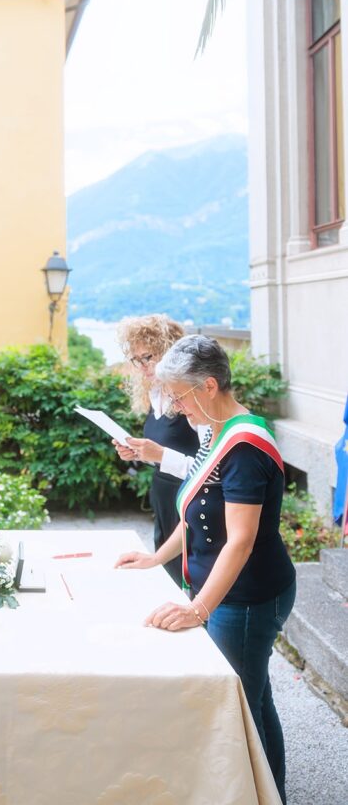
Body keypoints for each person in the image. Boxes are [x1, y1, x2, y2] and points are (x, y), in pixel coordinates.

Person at [115, 335, 296, 804]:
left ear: (209, 385)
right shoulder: (217, 431)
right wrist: (157, 557)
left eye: (180, 397)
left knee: (236, 708)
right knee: (254, 698)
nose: (175, 409)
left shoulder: (244, 445)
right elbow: (196, 508)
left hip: (249, 594)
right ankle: (272, 793)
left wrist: (197, 609)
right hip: (232, 591)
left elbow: (240, 540)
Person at [114, 315, 207, 585]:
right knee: (169, 576)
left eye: (148, 356)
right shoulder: (155, 395)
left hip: (193, 499)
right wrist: (139, 453)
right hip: (164, 497)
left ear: (168, 352)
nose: (143, 366)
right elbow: (163, 454)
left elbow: (212, 468)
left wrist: (160, 455)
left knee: (192, 575)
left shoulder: (192, 399)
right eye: (136, 359)